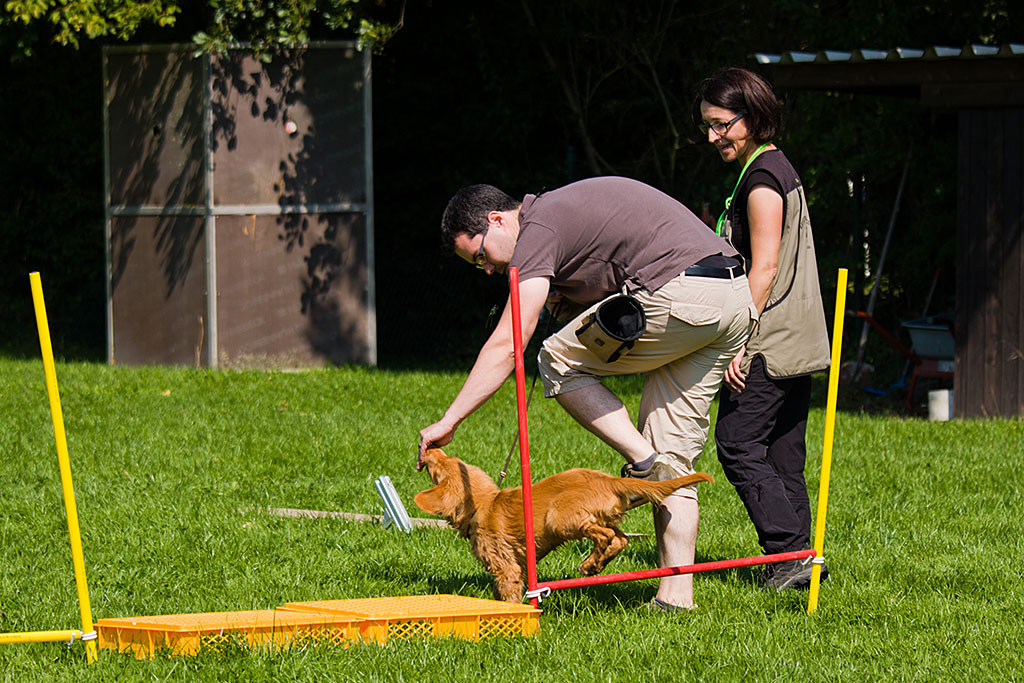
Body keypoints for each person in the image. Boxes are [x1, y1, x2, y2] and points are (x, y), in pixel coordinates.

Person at [418, 177, 756, 610]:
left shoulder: (536, 230)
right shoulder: (561, 215)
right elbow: (617, 268)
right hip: (731, 296)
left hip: (683, 291)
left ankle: (643, 462)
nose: (487, 269)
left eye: (481, 255)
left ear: (497, 219)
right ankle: (676, 600)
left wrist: (451, 419)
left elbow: (509, 343)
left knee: (555, 359)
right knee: (674, 458)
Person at [697, 67, 831, 590]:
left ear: (751, 118)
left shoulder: (762, 180)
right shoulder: (774, 168)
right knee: (780, 452)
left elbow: (766, 267)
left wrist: (740, 344)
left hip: (770, 341)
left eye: (721, 125)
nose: (713, 137)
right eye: (707, 126)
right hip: (798, 337)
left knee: (735, 441)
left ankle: (788, 552)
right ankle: (801, 561)